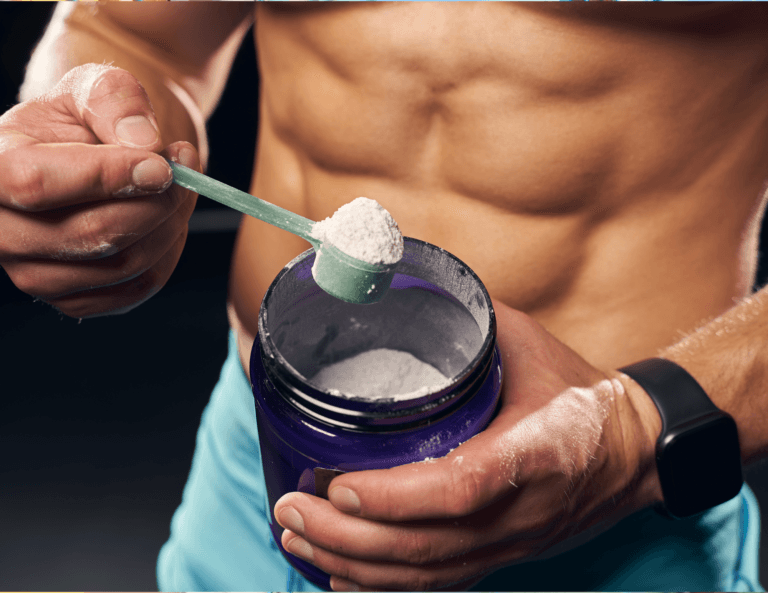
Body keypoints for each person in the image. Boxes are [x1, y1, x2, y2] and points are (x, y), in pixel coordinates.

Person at [2, 2, 767, 591]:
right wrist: (92, 144)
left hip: (621, 514)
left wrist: (636, 431)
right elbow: (135, 31)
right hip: (265, 475)